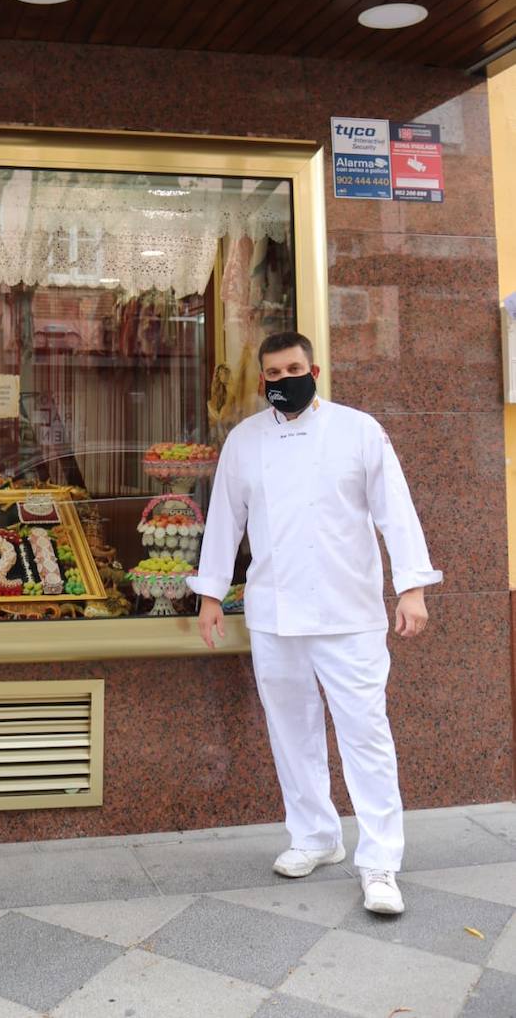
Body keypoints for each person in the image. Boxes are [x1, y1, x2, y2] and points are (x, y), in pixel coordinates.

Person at [188, 331, 440, 916]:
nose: (283, 381)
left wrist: (412, 588)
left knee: (366, 736)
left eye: (293, 369)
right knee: (291, 733)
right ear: (261, 382)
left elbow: (394, 512)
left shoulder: (359, 431)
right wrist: (209, 596)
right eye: (272, 374)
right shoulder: (244, 442)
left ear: (315, 369)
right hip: (275, 613)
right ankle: (315, 837)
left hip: (349, 613)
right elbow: (225, 520)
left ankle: (379, 862)